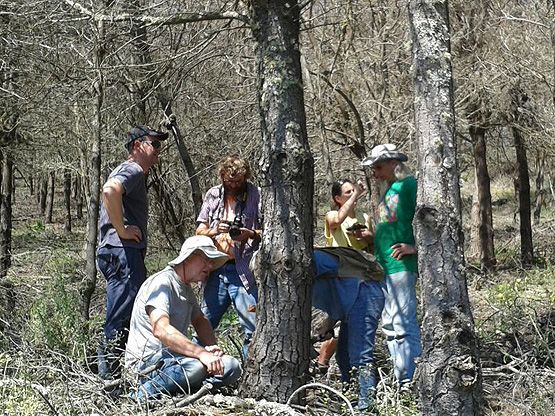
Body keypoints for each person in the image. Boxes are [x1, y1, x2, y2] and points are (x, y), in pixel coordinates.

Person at [125, 235, 242, 401]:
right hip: (147, 364)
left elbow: (200, 320)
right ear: (188, 258)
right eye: (206, 259)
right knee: (196, 367)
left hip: (175, 361)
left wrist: (211, 347)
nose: (210, 266)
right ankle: (140, 395)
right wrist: (200, 353)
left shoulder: (186, 288)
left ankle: (187, 394)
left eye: (212, 262)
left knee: (231, 366)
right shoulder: (163, 283)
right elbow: (161, 329)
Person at [96, 125, 168, 379]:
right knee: (120, 316)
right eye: (154, 144)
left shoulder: (133, 172)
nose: (159, 151)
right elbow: (110, 191)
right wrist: (122, 230)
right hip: (123, 251)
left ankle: (115, 376)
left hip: (119, 251)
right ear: (137, 146)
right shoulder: (133, 169)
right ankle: (108, 383)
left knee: (124, 314)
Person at [362, 143, 421, 390]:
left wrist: (415, 247)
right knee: (390, 325)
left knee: (403, 322)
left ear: (393, 163)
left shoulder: (410, 185)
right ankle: (401, 379)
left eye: (377, 166)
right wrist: (371, 237)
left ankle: (413, 379)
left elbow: (430, 217)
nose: (374, 172)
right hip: (384, 265)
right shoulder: (388, 190)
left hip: (401, 266)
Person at [195, 155, 261, 358]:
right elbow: (199, 231)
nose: (233, 185)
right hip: (215, 268)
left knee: (252, 328)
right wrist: (215, 230)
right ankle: (196, 367)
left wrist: (249, 233)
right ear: (222, 177)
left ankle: (249, 374)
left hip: (243, 270)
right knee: (203, 323)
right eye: (229, 181)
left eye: (238, 181)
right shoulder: (213, 195)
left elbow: (270, 231)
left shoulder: (256, 195)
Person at [312, 247, 384, 411]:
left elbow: (352, 281)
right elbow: (337, 289)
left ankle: (366, 407)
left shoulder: (312, 261)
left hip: (365, 296)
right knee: (343, 357)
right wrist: (329, 323)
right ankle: (351, 402)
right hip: (352, 301)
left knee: (360, 356)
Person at [317, 179, 374, 374]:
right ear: (338, 198)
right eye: (348, 193)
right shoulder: (333, 214)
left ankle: (347, 374)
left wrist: (369, 237)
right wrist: (357, 194)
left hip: (360, 276)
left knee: (348, 329)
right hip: (338, 274)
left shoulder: (364, 217)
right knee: (333, 324)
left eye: (354, 191)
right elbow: (337, 222)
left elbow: (373, 249)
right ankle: (321, 364)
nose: (353, 195)